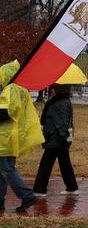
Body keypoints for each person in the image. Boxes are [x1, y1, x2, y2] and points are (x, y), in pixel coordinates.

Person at [0, 60, 44, 212]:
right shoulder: (21, 90)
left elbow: (5, 113)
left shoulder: (11, 90)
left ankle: (27, 196)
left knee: (7, 169)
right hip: (10, 136)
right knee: (3, 170)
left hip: (4, 137)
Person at [32, 84, 78, 196]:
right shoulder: (60, 101)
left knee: (46, 163)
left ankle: (39, 189)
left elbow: (62, 122)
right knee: (64, 162)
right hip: (57, 138)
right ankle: (72, 187)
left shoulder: (59, 104)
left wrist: (62, 137)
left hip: (56, 138)